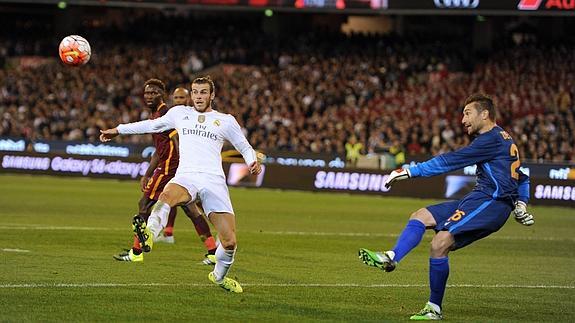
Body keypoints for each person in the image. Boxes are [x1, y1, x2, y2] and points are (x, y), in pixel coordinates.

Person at [359, 94, 534, 320]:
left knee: (440, 243)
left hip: (492, 202)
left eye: (467, 113)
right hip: (480, 198)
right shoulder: (504, 139)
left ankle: (434, 308)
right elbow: (522, 177)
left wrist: (411, 170)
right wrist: (521, 204)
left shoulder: (491, 139)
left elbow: (451, 160)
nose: (463, 120)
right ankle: (391, 257)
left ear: (485, 114)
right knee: (420, 215)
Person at [102, 76, 261, 293]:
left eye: (203, 92)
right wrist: (118, 130)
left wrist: (252, 161)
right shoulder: (180, 113)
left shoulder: (226, 120)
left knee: (230, 242)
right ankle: (149, 233)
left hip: (214, 182)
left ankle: (219, 277)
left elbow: (244, 145)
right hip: (186, 176)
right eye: (195, 92)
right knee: (166, 196)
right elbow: (151, 125)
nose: (198, 96)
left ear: (212, 95)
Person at [113, 81, 217, 265]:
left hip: (170, 168)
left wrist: (183, 161)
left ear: (162, 94)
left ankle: (136, 251)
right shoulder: (156, 114)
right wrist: (147, 173)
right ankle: (213, 251)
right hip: (171, 166)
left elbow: (177, 138)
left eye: (154, 92)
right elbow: (158, 150)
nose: (149, 96)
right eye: (147, 93)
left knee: (144, 204)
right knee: (191, 209)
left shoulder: (164, 113)